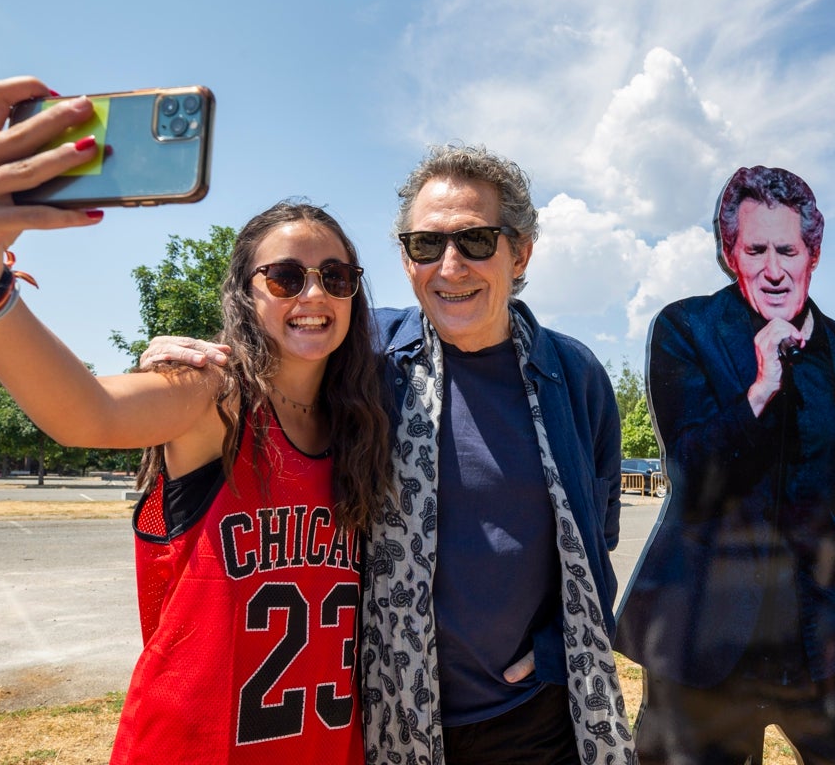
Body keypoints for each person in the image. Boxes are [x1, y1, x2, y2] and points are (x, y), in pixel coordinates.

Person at [0, 77, 392, 764]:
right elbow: (84, 412)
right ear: (245, 291)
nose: (315, 293)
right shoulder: (212, 395)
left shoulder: (366, 424)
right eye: (287, 277)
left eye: (336, 276)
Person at [142, 145, 634, 765]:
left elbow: (598, 536)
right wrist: (189, 359)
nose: (451, 267)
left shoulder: (575, 375)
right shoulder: (366, 358)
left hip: (532, 720)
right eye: (426, 245)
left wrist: (556, 653)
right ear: (405, 259)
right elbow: (281, 344)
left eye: (477, 241)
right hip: (385, 713)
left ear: (522, 251)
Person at [614, 166, 835, 764]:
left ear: (813, 254)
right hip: (709, 642)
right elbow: (692, 478)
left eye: (789, 249)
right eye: (756, 250)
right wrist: (759, 390)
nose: (774, 269)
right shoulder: (686, 330)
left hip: (829, 640)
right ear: (731, 254)